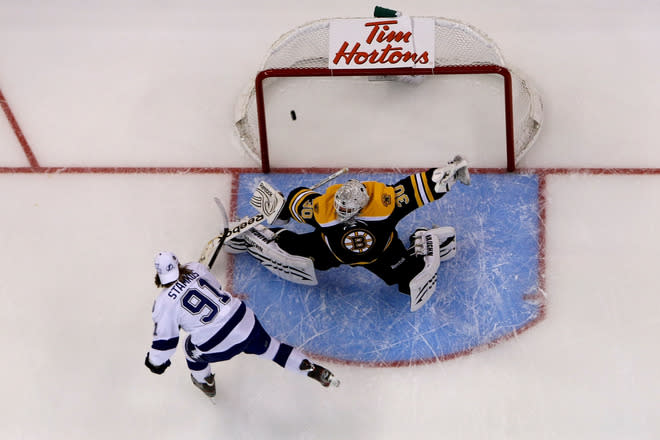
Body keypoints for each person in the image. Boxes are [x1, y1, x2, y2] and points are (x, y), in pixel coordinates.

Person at [226, 155, 471, 311]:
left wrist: (445, 175)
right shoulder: (324, 209)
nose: (343, 215)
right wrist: (282, 208)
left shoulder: (385, 204)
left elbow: (417, 189)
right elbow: (299, 203)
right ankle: (255, 235)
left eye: (348, 211)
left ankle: (427, 242)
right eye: (340, 210)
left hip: (383, 255)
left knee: (409, 281)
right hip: (329, 251)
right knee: (289, 246)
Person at [144, 251, 340, 398]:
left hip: (216, 342)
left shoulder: (163, 303)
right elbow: (217, 288)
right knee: (272, 348)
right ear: (178, 263)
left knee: (191, 351)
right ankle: (309, 367)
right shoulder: (196, 268)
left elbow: (166, 343)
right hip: (244, 321)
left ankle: (206, 383)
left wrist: (155, 363)